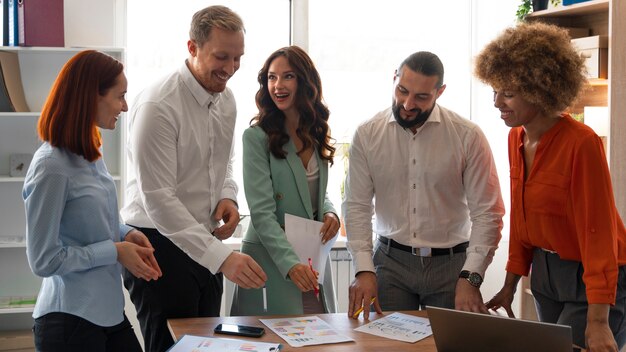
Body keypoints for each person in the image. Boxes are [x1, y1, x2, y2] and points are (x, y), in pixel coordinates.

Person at [121, 5, 267, 351]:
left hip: (203, 240)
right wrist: (222, 257)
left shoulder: (227, 100)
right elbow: (158, 198)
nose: (231, 69)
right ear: (192, 48)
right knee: (169, 347)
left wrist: (228, 196)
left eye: (238, 58)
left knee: (207, 346)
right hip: (158, 245)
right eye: (222, 57)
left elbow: (224, 162)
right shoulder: (158, 105)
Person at [475, 22, 626, 351]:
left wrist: (598, 321)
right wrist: (511, 282)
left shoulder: (581, 143)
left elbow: (598, 232)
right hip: (545, 275)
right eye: (495, 91)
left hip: (591, 276)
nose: (497, 102)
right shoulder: (517, 136)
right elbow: (522, 217)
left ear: (540, 91)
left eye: (509, 93)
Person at [344, 51, 505, 320]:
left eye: (421, 97)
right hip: (390, 262)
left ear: (439, 92)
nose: (408, 104)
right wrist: (363, 269)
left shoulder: (468, 136)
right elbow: (357, 207)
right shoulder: (367, 133)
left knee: (448, 344)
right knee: (387, 346)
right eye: (402, 91)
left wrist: (471, 277)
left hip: (451, 265)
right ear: (394, 78)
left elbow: (488, 213)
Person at [23, 50, 161, 352]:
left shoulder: (90, 155)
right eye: (120, 96)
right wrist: (114, 251)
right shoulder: (51, 166)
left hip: (108, 313)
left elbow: (96, 221)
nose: (124, 107)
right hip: (68, 321)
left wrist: (126, 234)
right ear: (91, 97)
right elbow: (44, 260)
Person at [230, 46, 340, 316]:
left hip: (311, 255)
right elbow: (262, 214)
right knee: (273, 340)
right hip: (270, 260)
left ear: (305, 81)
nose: (277, 85)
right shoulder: (256, 137)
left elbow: (314, 192)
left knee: (319, 339)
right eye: (271, 77)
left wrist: (330, 211)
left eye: (287, 76)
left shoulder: (315, 132)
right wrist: (291, 264)